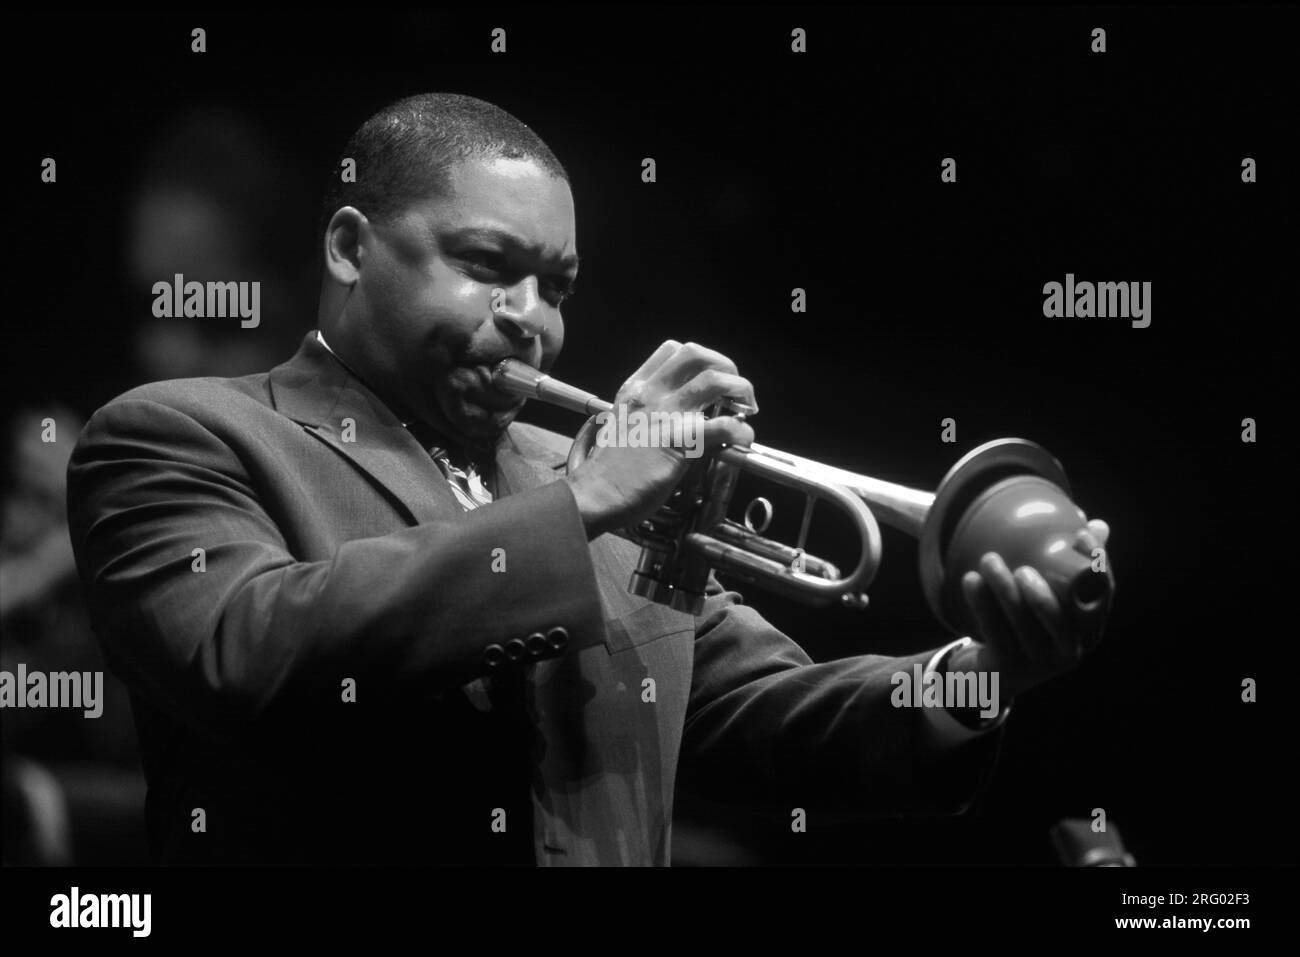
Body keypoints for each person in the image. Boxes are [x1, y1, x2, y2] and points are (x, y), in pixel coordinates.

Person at [66, 93, 1113, 866]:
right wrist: (578, 506)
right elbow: (247, 655)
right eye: (487, 265)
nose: (532, 316)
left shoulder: (595, 493)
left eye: (555, 285)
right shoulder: (180, 436)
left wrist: (983, 672)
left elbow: (772, 724)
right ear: (350, 247)